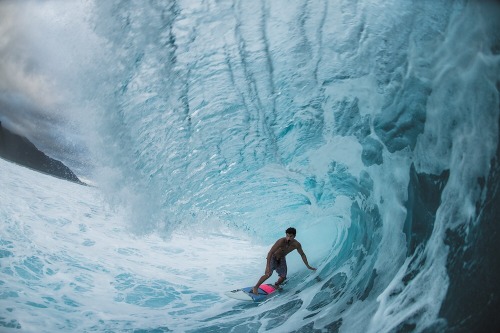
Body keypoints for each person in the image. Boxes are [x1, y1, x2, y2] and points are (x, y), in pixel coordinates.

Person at [252, 227, 316, 294]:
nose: (288, 238)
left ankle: (276, 285)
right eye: (287, 235)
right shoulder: (281, 241)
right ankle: (256, 287)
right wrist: (267, 266)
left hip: (282, 258)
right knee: (268, 274)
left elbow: (302, 254)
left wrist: (308, 266)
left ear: (294, 236)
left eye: (291, 236)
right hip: (273, 257)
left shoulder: (296, 244)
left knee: (283, 277)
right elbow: (270, 252)